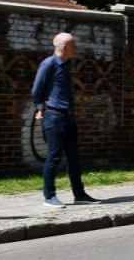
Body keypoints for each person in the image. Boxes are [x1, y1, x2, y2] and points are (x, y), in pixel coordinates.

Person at [32, 32, 99, 208]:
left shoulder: (64, 65)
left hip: (67, 116)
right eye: (73, 45)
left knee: (73, 158)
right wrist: (40, 108)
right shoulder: (49, 64)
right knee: (54, 157)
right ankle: (49, 196)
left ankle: (80, 194)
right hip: (54, 116)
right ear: (64, 47)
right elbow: (37, 89)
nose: (76, 48)